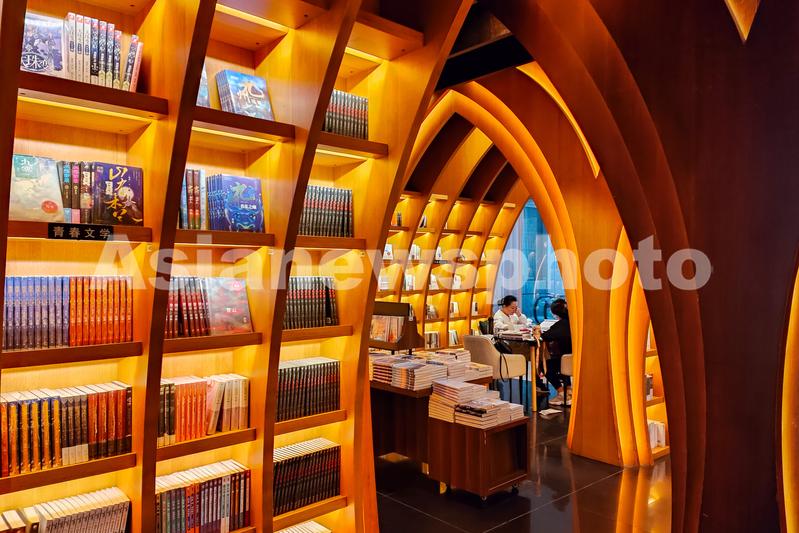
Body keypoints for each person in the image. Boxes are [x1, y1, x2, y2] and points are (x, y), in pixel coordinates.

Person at [535, 298, 572, 406]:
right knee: (562, 361)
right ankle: (569, 391)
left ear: (554, 313)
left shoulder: (559, 326)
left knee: (544, 366)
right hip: (576, 360)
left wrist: (537, 331)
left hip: (564, 361)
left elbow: (544, 337)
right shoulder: (574, 323)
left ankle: (561, 393)